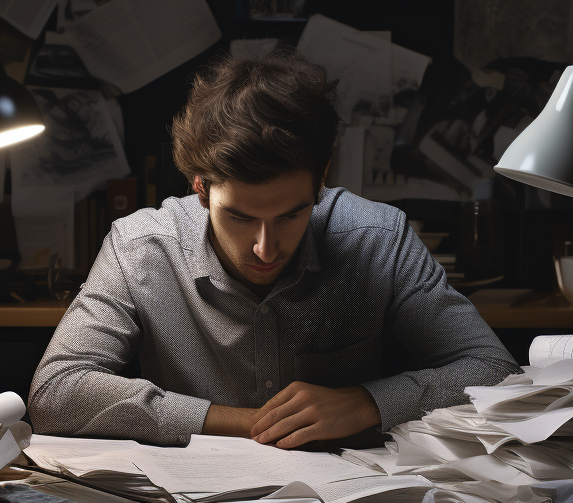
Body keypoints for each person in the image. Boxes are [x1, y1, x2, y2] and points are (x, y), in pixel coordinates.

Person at [28, 52, 520, 448]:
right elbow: (56, 392)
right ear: (201, 189)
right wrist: (243, 422)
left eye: (291, 214)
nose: (266, 248)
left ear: (322, 179)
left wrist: (368, 403)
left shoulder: (377, 238)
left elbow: (494, 370)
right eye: (240, 217)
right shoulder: (141, 247)